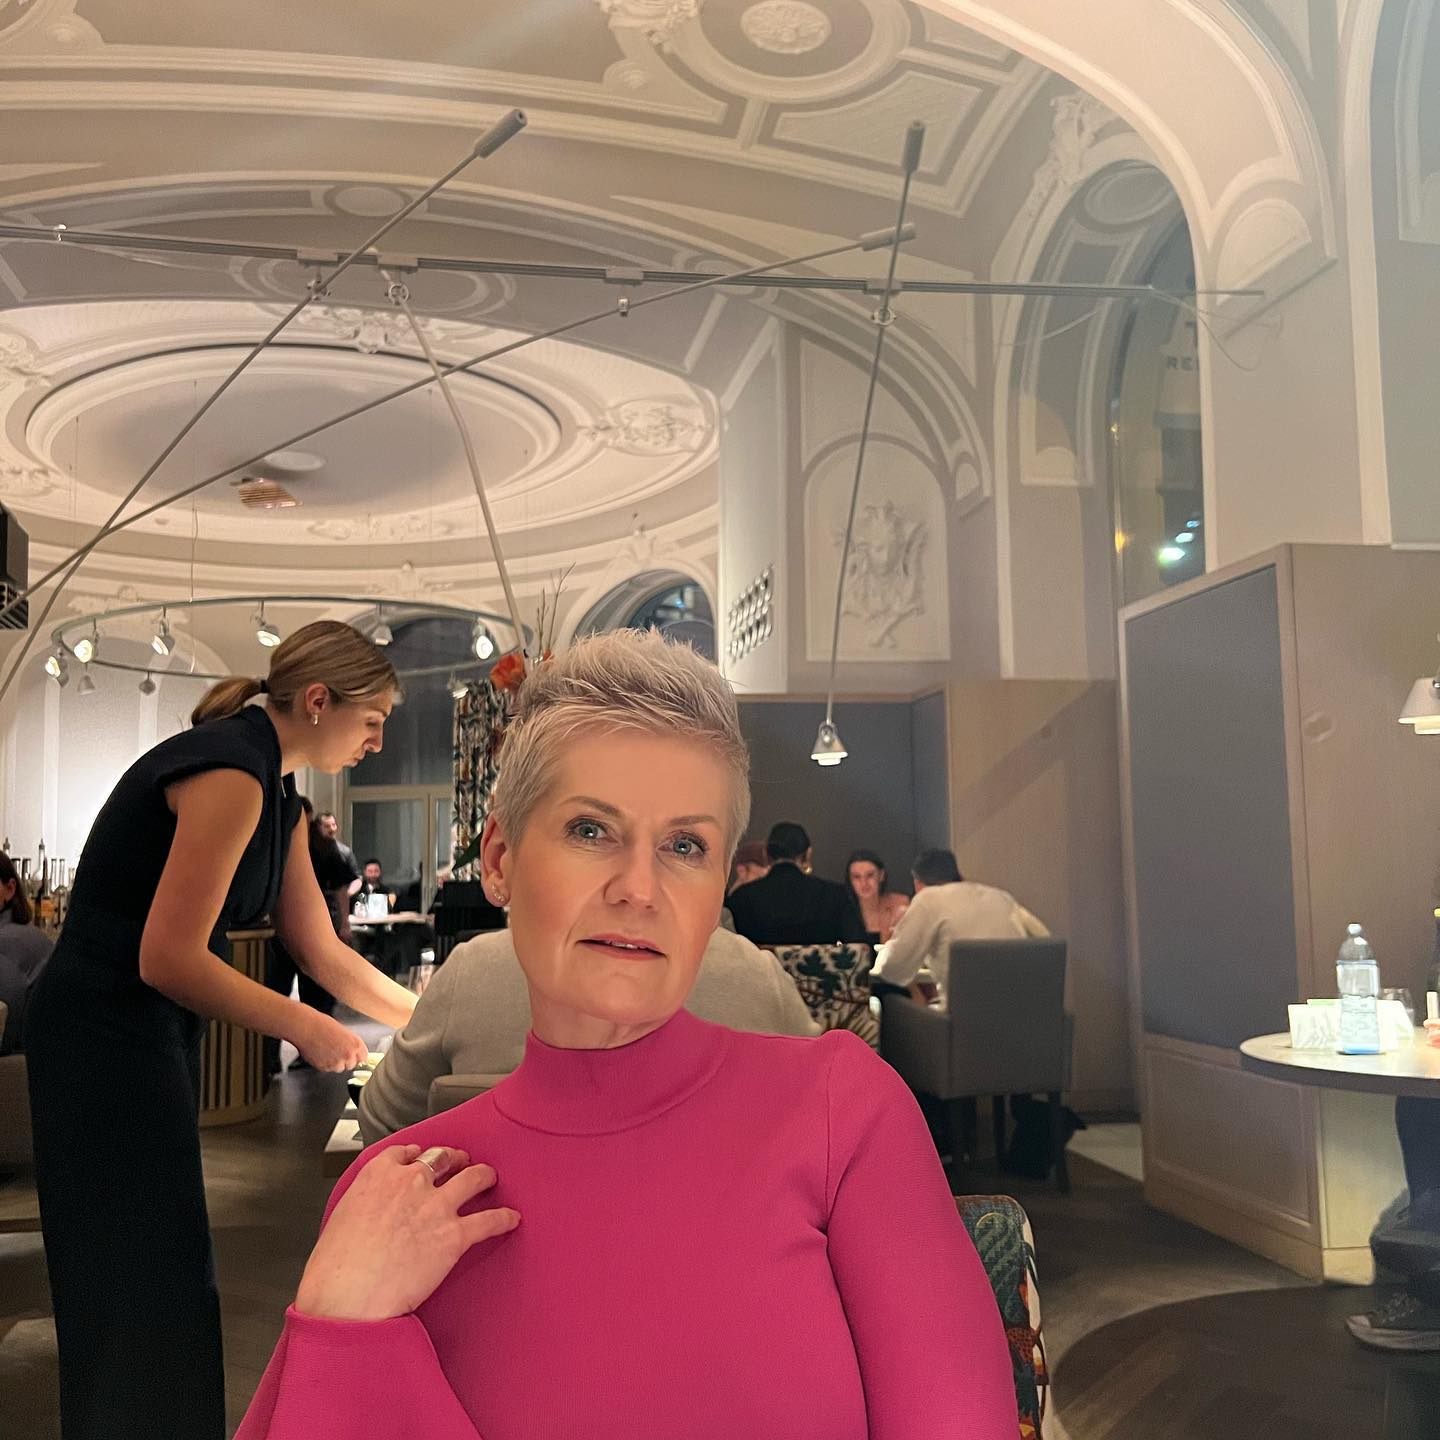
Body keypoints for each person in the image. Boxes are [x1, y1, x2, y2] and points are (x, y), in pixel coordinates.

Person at [237, 629, 1016, 1440]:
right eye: (590, 830)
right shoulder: (400, 1195)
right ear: (499, 860)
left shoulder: (843, 1111)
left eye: (685, 845)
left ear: (718, 893)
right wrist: (339, 1322)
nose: (639, 889)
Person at [25, 620, 420, 1440]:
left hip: (144, 1030)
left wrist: (432, 1019)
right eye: (374, 719)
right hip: (99, 1031)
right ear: (319, 700)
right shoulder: (232, 772)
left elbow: (323, 952)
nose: (378, 742)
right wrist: (305, 1026)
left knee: (162, 1269)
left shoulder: (279, 794)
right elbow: (168, 956)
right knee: (134, 1275)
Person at [358, 924, 820, 1142]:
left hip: (496, 1285)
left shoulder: (474, 969)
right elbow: (823, 1139)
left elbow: (383, 1126)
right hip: (725, 1285)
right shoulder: (757, 977)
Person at [869, 847, 1049, 1002]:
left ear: (918, 885)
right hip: (1023, 1014)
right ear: (959, 876)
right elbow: (1044, 939)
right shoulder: (1001, 897)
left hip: (963, 1019)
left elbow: (893, 970)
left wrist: (886, 950)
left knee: (888, 1004)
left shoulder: (928, 899)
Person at [266, 797, 363, 1075]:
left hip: (303, 924)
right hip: (300, 926)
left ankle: (291, 1055)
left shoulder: (321, 849)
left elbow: (340, 888)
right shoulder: (307, 847)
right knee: (286, 989)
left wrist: (343, 924)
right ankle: (275, 1056)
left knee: (301, 990)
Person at [726, 821, 867, 947]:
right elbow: (859, 951)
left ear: (766, 854)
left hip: (758, 969)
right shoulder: (835, 896)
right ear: (807, 854)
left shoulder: (742, 898)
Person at [0, 851, 52, 1055]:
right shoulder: (21, 932)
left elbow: (4, 1035)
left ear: (10, 889)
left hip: (31, 1060)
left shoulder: (7, 942)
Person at [846, 848, 909, 943]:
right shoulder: (842, 911)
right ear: (850, 880)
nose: (864, 883)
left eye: (870, 875)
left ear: (881, 875)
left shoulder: (900, 904)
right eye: (857, 877)